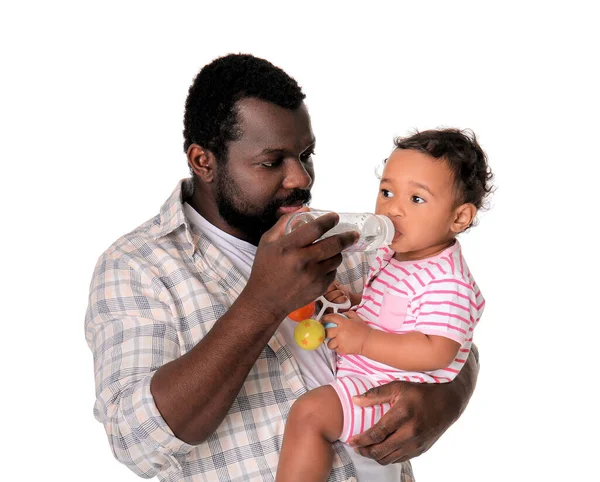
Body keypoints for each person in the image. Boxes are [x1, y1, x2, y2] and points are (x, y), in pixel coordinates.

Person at [84, 54, 480, 482]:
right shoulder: (137, 267)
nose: (301, 178)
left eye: (306, 154)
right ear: (204, 161)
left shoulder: (348, 237)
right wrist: (262, 303)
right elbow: (135, 442)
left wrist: (449, 398)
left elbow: (446, 334)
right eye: (272, 162)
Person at [276, 128, 492, 481]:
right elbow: (394, 312)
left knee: (309, 415)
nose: (393, 209)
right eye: (387, 192)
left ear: (459, 218)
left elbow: (438, 350)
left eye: (417, 199)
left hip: (386, 397)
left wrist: (363, 341)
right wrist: (350, 301)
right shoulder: (393, 256)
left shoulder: (446, 281)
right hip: (365, 379)